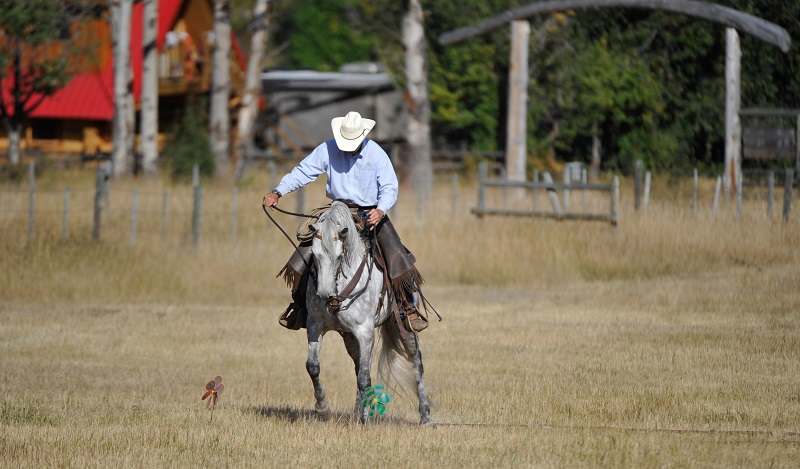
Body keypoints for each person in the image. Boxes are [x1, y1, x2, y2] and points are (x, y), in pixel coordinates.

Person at [262, 111, 429, 333]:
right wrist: (278, 192)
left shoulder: (376, 153)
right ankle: (300, 305)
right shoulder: (327, 149)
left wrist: (380, 210)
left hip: (370, 213)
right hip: (336, 211)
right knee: (305, 253)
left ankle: (407, 308)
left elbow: (389, 187)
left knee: (397, 254)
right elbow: (303, 172)